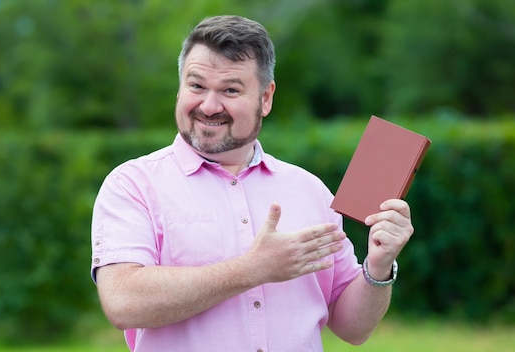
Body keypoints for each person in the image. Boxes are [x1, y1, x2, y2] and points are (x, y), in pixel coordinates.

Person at [91, 15, 414, 352]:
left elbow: (353, 329)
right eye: (196, 86)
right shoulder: (132, 185)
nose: (209, 105)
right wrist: (253, 269)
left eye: (230, 90)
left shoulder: (310, 190)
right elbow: (123, 302)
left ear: (266, 97)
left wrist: (378, 266)